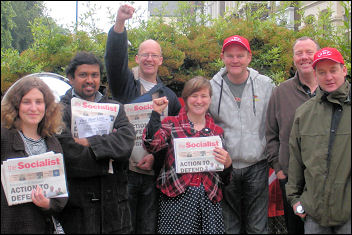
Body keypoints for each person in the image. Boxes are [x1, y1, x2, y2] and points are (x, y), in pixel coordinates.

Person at [105, 4, 181, 234]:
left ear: (160, 60)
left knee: (148, 229)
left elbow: (174, 140)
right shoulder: (125, 85)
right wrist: (120, 24)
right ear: (137, 58)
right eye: (144, 54)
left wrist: (155, 157)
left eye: (154, 55)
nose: (149, 58)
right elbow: (115, 61)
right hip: (123, 174)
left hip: (151, 176)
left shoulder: (170, 97)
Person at [56, 51, 136, 234]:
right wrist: (108, 159)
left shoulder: (116, 108)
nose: (90, 80)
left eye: (95, 75)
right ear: (70, 78)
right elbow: (69, 155)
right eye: (83, 75)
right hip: (79, 212)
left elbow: (126, 144)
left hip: (115, 210)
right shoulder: (59, 112)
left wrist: (89, 142)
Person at [142, 76, 232, 233]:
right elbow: (152, 144)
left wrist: (228, 164)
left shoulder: (217, 132)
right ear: (185, 99)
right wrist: (156, 114)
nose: (199, 101)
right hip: (175, 198)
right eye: (194, 96)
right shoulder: (171, 124)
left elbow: (224, 178)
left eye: (203, 96)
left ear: (210, 99)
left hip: (208, 203)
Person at [208, 35, 275, 233]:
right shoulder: (211, 87)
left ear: (249, 57)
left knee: (257, 225)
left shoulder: (265, 84)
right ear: (222, 57)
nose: (235, 60)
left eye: (240, 55)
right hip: (225, 165)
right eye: (230, 55)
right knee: (229, 225)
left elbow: (275, 121)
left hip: (257, 164)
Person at [286, 47, 351, 234]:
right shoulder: (304, 113)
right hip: (314, 213)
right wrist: (295, 199)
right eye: (321, 72)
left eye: (333, 70)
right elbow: (296, 160)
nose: (328, 77)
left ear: (344, 70)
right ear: (315, 75)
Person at [265, 36, 320, 234]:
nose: (304, 57)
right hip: (292, 180)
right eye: (299, 53)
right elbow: (270, 134)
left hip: (327, 180)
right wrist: (279, 170)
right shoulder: (281, 92)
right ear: (293, 58)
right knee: (295, 228)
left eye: (309, 52)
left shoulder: (332, 89)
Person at [1, 75, 67, 233]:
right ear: (16, 105)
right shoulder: (4, 137)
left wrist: (48, 204)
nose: (33, 108)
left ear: (47, 106)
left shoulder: (52, 142)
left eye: (39, 102)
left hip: (45, 226)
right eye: (26, 102)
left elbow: (60, 195)